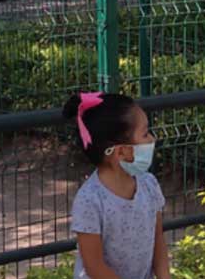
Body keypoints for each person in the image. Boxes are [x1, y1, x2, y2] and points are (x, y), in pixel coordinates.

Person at [64, 92, 170, 279]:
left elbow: (158, 242)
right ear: (121, 151)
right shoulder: (90, 201)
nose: (152, 139)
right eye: (145, 133)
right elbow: (95, 267)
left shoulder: (149, 185)